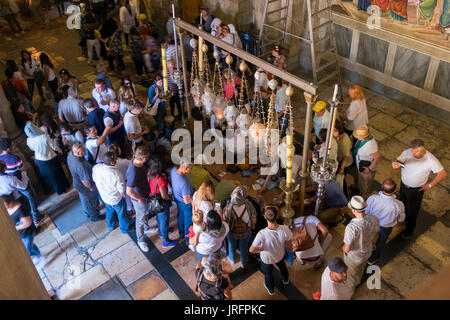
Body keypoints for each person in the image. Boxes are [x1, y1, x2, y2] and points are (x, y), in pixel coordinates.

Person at [392, 139, 446, 239]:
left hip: (416, 190)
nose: (413, 153)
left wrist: (429, 185)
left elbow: (442, 174)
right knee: (402, 204)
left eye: (416, 151)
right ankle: (401, 220)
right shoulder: (407, 152)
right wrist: (395, 163)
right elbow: (398, 160)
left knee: (412, 210)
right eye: (413, 150)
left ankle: (409, 230)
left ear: (423, 150)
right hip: (404, 185)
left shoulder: (431, 159)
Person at [249, 207, 292, 295]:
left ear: (264, 217)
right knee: (282, 267)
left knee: (268, 274)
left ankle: (271, 289)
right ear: (277, 216)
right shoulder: (284, 228)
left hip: (267, 259)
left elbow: (251, 250)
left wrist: (259, 249)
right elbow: (288, 244)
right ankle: (285, 279)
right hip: (279, 255)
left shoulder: (261, 234)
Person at [0, 139, 43, 225]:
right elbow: (23, 169)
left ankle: (30, 217)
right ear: (8, 148)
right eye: (12, 145)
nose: (13, 146)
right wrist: (24, 173)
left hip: (11, 189)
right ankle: (35, 216)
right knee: (31, 197)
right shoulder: (15, 158)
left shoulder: (0, 159)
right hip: (19, 181)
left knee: (23, 202)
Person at [343, 196, 380, 290]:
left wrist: (343, 249)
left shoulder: (351, 227)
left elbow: (347, 249)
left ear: (353, 210)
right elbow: (376, 234)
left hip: (354, 257)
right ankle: (357, 282)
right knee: (360, 270)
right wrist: (372, 244)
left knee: (350, 275)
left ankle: (349, 291)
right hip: (367, 252)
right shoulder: (374, 219)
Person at [366, 179, 405, 264]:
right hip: (385, 228)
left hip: (371, 224)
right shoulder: (399, 204)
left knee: (368, 239)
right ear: (394, 190)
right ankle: (372, 259)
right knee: (379, 243)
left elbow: (366, 212)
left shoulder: (373, 198)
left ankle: (365, 254)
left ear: (381, 187)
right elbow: (401, 219)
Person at [93, 151, 133, 233]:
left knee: (109, 211)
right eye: (116, 159)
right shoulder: (116, 173)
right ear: (111, 163)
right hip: (116, 199)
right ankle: (124, 229)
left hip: (104, 197)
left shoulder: (97, 167)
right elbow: (121, 188)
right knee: (122, 214)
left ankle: (110, 225)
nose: (117, 160)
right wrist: (123, 194)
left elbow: (94, 179)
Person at [25, 123, 70, 195]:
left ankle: (50, 189)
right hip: (50, 157)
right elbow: (54, 146)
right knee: (57, 173)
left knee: (47, 175)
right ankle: (61, 188)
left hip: (40, 159)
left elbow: (32, 149)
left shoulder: (28, 140)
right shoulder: (44, 137)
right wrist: (60, 151)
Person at [2, 193, 43, 265]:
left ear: (10, 203)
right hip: (21, 234)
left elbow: (28, 223)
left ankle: (39, 256)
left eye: (5, 205)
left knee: (26, 251)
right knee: (30, 245)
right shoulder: (9, 209)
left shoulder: (20, 210)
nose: (4, 208)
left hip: (27, 233)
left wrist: (14, 228)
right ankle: (38, 254)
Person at [67, 143, 104, 221]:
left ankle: (87, 212)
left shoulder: (70, 154)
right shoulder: (80, 165)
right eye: (83, 150)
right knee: (91, 200)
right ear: (78, 153)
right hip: (85, 186)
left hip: (77, 183)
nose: (86, 150)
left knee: (84, 199)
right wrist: (91, 188)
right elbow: (85, 181)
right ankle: (94, 216)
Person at [126, 146, 153, 252]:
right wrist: (140, 199)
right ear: (144, 159)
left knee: (145, 214)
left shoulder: (136, 160)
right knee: (140, 220)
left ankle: (146, 228)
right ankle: (140, 240)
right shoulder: (133, 172)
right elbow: (129, 191)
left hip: (144, 194)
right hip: (139, 199)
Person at [147, 156, 178, 247]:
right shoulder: (160, 179)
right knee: (164, 221)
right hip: (161, 203)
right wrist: (171, 198)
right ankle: (166, 241)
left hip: (154, 200)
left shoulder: (149, 173)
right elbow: (164, 196)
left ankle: (161, 232)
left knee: (159, 218)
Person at [222, 186, 257, 267]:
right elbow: (253, 220)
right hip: (245, 231)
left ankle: (232, 259)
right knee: (243, 247)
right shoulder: (249, 205)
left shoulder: (228, 208)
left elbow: (224, 221)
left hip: (232, 232)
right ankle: (243, 261)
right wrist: (253, 226)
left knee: (231, 245)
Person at [170, 158, 194, 244]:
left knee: (180, 215)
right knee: (188, 221)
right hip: (185, 204)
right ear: (186, 168)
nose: (191, 170)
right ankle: (188, 240)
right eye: (191, 168)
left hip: (177, 199)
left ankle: (181, 234)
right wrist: (195, 198)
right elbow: (187, 200)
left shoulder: (173, 170)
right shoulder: (184, 182)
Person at [352, 125, 380, 199]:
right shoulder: (364, 139)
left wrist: (369, 169)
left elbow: (377, 158)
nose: (356, 137)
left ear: (364, 137)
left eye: (358, 136)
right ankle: (359, 189)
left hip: (366, 168)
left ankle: (364, 198)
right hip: (360, 163)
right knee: (361, 182)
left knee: (365, 185)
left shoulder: (370, 145)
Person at [334, 121, 353, 194]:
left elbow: (346, 156)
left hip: (345, 163)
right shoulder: (338, 137)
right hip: (340, 159)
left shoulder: (345, 141)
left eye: (334, 132)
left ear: (340, 133)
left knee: (341, 178)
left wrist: (342, 168)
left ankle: (344, 194)